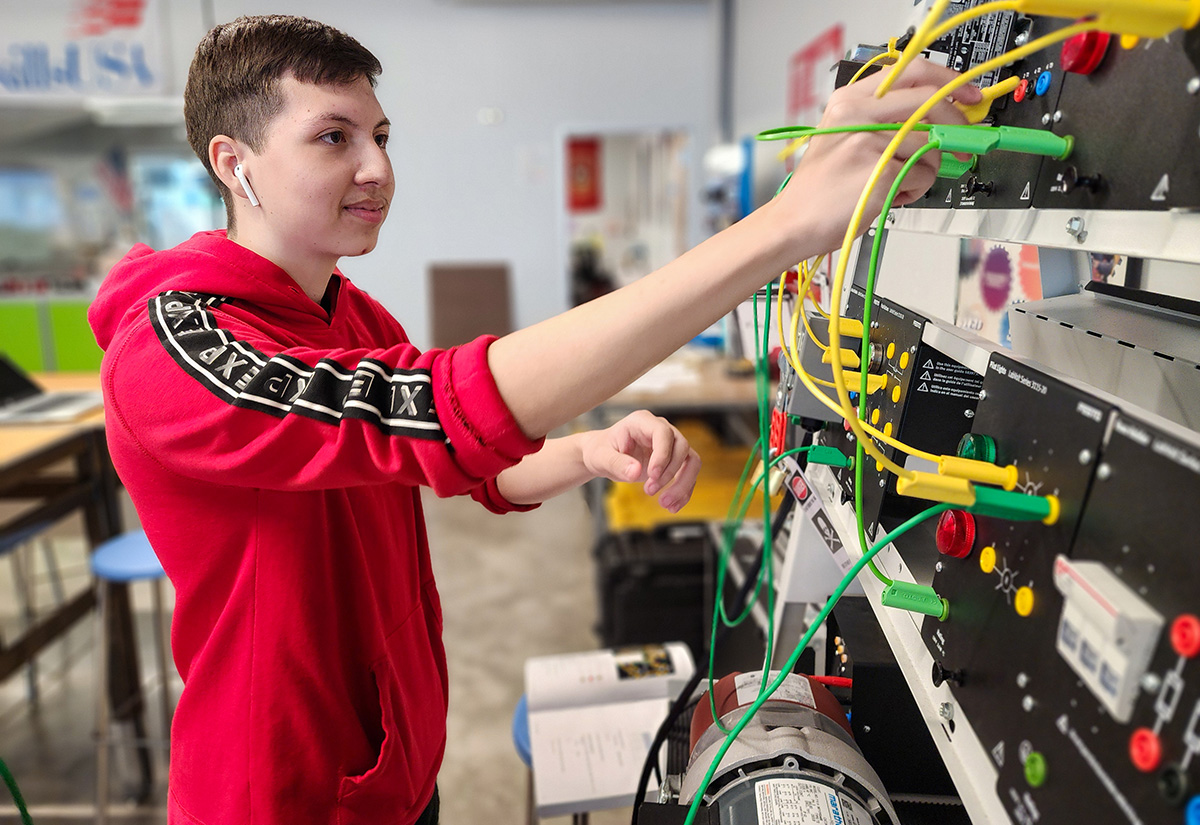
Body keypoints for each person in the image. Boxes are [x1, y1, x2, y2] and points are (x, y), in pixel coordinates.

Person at [88, 14, 980, 825]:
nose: (378, 169)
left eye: (381, 136)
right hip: (276, 792)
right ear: (233, 161)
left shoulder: (350, 315)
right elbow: (437, 409)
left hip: (392, 767)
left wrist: (587, 448)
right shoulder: (174, 345)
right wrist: (785, 225)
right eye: (333, 137)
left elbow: (467, 462)